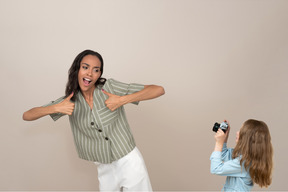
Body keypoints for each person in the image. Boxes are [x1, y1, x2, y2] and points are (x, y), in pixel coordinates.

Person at [23, 49, 165, 191]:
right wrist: (55, 108)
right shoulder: (69, 101)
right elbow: (27, 115)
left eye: (96, 70)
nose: (90, 73)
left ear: (99, 74)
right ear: (77, 70)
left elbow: (158, 90)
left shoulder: (110, 88)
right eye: (85, 67)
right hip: (104, 168)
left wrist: (122, 100)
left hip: (129, 160)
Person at [210, 119, 273, 191]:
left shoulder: (244, 163)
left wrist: (219, 143)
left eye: (241, 131)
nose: (237, 132)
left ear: (248, 139)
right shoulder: (243, 156)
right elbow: (223, 154)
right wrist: (225, 139)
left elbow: (216, 169)